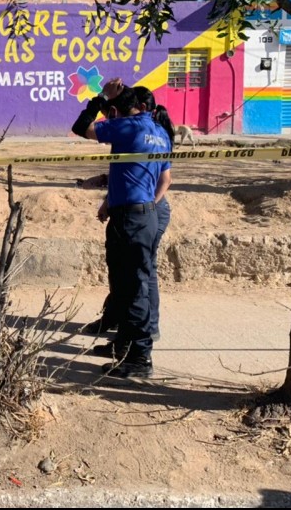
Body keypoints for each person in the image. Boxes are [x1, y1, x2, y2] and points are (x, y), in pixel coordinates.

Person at [71, 80, 172, 378]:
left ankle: (140, 358)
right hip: (141, 213)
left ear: (116, 111)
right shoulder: (160, 132)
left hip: (131, 218)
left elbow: (82, 127)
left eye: (110, 112)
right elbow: (156, 177)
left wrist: (98, 99)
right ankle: (125, 346)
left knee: (134, 288)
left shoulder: (128, 126)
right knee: (126, 286)